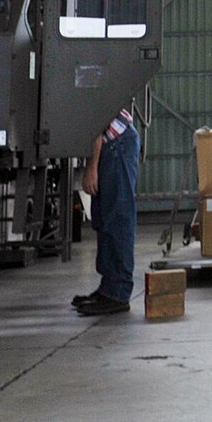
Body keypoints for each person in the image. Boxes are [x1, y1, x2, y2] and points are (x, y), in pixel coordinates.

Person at [73, 103, 141, 315]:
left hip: (115, 144)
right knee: (104, 219)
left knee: (117, 219)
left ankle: (118, 291)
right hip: (111, 145)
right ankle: (109, 286)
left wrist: (91, 167)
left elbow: (95, 121)